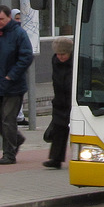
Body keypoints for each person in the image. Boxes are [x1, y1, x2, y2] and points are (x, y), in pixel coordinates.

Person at [0, 5, 33, 165]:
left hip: (13, 85)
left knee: (8, 119)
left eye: (1, 19)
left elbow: (26, 56)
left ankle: (9, 154)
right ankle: (16, 139)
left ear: (9, 17)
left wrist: (12, 75)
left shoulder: (19, 34)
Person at [44, 37, 73, 168]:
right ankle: (55, 159)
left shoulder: (75, 62)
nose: (60, 57)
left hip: (72, 101)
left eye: (63, 54)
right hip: (60, 99)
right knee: (58, 129)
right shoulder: (54, 61)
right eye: (58, 54)